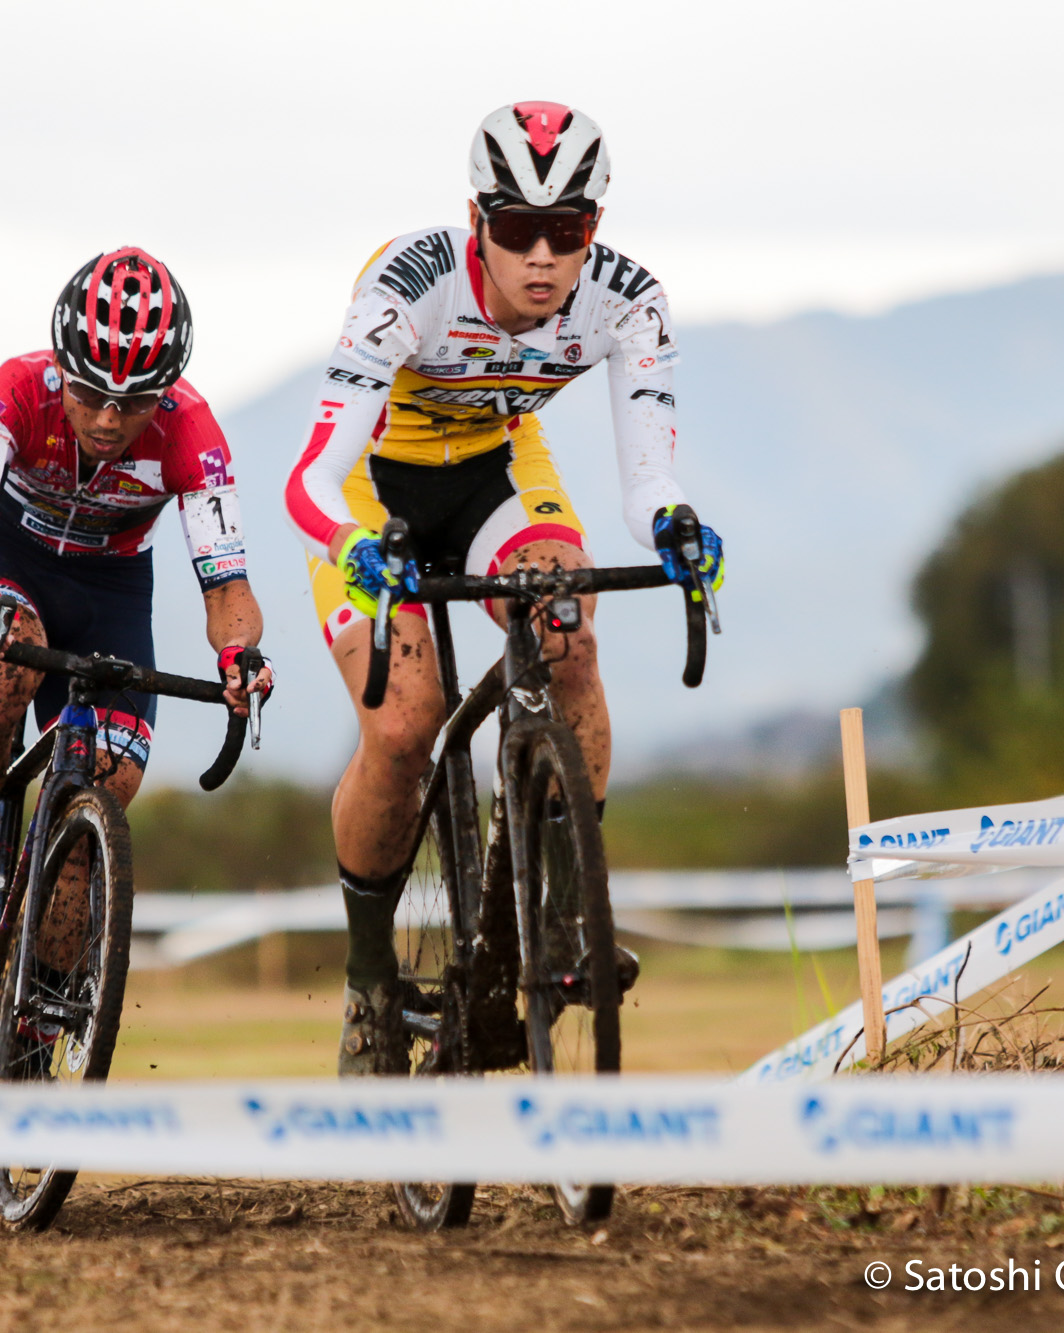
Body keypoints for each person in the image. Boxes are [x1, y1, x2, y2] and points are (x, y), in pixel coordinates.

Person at [283, 102, 726, 1074]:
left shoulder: (627, 299)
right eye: (513, 229)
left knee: (566, 634)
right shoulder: (409, 286)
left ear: (592, 229)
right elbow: (309, 477)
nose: (537, 255)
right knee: (404, 726)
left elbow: (650, 476)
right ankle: (367, 984)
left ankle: (551, 915)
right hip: (373, 487)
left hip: (495, 471)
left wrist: (675, 527)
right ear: (473, 218)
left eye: (561, 231)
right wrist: (355, 545)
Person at [0, 247, 274, 957]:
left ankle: (39, 1010)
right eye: (90, 393)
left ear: (165, 389)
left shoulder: (194, 432)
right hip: (4, 565)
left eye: (132, 403)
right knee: (9, 662)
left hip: (112, 591)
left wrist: (238, 654)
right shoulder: (10, 390)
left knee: (107, 779)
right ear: (61, 368)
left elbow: (228, 588)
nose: (106, 418)